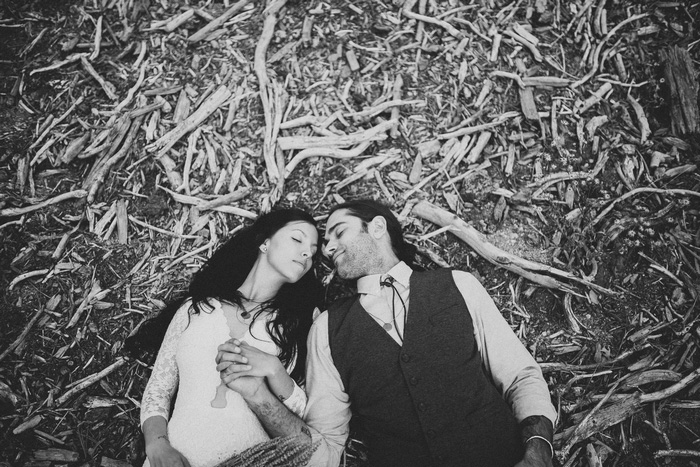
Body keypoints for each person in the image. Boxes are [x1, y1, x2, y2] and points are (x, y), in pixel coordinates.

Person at [217, 199, 557, 467]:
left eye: (338, 232)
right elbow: (326, 449)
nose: (326, 247)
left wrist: (538, 449)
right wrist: (259, 398)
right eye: (325, 240)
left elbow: (521, 377)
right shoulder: (326, 330)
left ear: (377, 227)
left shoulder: (458, 286)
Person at [125, 208, 323, 467]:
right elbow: (159, 389)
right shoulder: (195, 309)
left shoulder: (295, 330)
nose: (307, 252)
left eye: (313, 250)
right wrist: (156, 444)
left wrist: (275, 371)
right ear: (265, 243)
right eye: (297, 239)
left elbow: (306, 425)